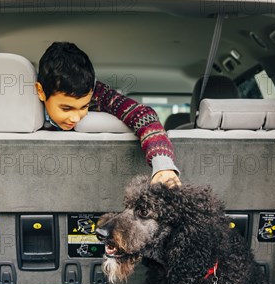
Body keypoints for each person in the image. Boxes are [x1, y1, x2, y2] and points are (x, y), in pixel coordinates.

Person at [35, 42, 181, 187]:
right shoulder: (24, 112)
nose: (75, 118)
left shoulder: (99, 94)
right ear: (41, 92)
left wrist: (163, 164)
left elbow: (144, 115)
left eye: (84, 106)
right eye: (66, 108)